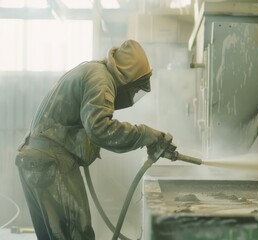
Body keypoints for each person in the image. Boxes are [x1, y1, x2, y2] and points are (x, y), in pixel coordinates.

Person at [15, 39, 166, 239]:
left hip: (32, 160)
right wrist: (146, 134)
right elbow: (100, 128)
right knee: (78, 235)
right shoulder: (101, 78)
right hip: (52, 163)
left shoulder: (92, 70)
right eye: (135, 87)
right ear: (127, 77)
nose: (134, 94)